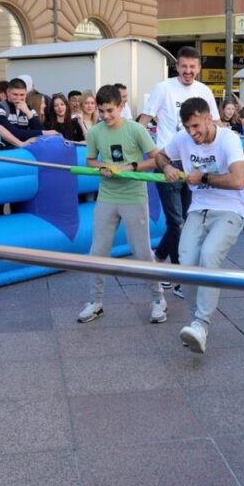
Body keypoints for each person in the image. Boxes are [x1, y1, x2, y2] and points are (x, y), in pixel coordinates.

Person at [155, 97, 244, 353]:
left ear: (209, 118)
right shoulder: (183, 139)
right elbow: (161, 155)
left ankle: (201, 323)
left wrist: (205, 176)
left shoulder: (229, 138)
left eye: (196, 126)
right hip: (199, 209)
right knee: (185, 263)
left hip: (231, 208)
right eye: (187, 128)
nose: (192, 133)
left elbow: (239, 180)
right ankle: (199, 321)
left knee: (209, 256)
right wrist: (166, 168)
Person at [78, 84, 167, 324]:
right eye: (101, 111)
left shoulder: (136, 129)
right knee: (98, 251)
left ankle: (158, 299)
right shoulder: (95, 132)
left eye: (110, 111)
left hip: (133, 196)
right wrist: (103, 168)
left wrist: (130, 167)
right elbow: (90, 161)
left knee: (141, 252)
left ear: (121, 106)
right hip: (107, 196)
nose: (105, 116)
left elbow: (156, 158)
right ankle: (95, 302)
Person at [138, 46, 219, 287]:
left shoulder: (204, 91)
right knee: (178, 223)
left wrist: (217, 153)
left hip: (194, 163)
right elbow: (143, 120)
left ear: (199, 68)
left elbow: (216, 124)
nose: (188, 71)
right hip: (167, 161)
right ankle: (177, 276)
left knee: (185, 219)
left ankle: (160, 256)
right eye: (184, 66)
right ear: (177, 67)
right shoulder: (163, 88)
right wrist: (135, 143)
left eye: (192, 67)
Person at [0, 78, 53, 143]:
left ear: (26, 94)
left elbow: (39, 133)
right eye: (15, 94)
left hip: (23, 151)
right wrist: (43, 132)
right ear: (8, 92)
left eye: (22, 95)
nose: (18, 98)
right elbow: (14, 133)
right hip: (2, 151)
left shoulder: (29, 109)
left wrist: (28, 113)